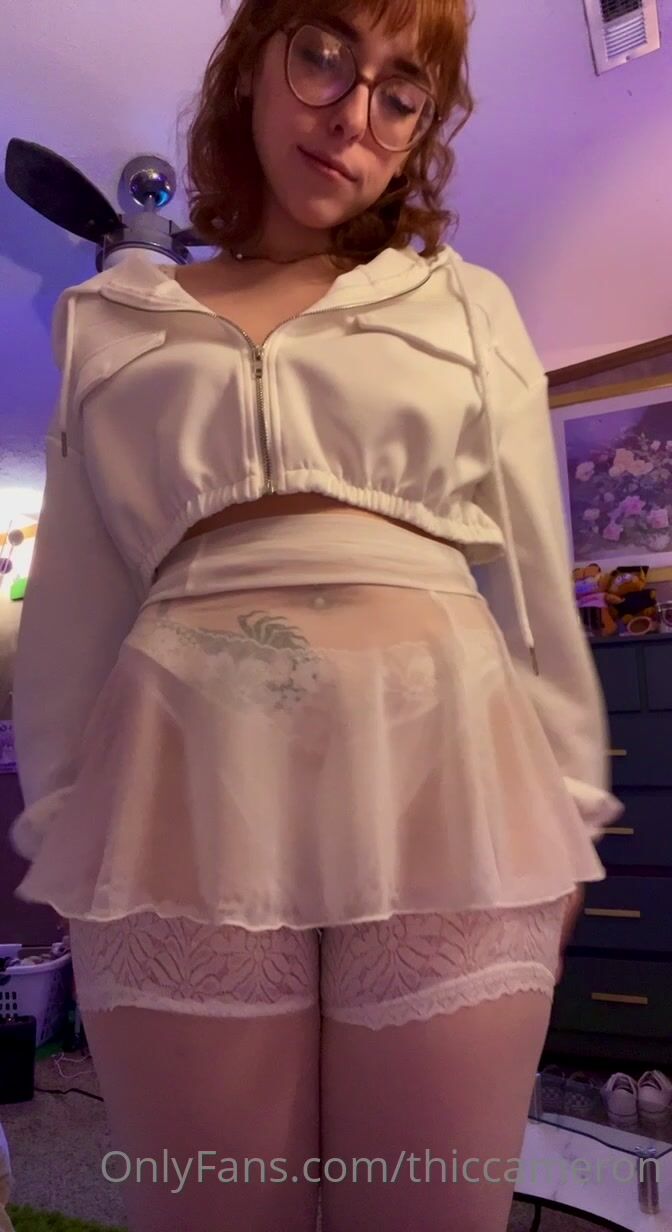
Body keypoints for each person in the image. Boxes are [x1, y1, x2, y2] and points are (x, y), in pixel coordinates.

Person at [9, 2, 623, 1229]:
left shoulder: (467, 305)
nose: (353, 114)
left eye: (400, 93)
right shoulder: (113, 322)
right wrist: (66, 826)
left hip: (447, 780)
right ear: (254, 61)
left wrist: (567, 810)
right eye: (326, 54)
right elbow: (74, 606)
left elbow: (529, 576)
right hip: (181, 794)